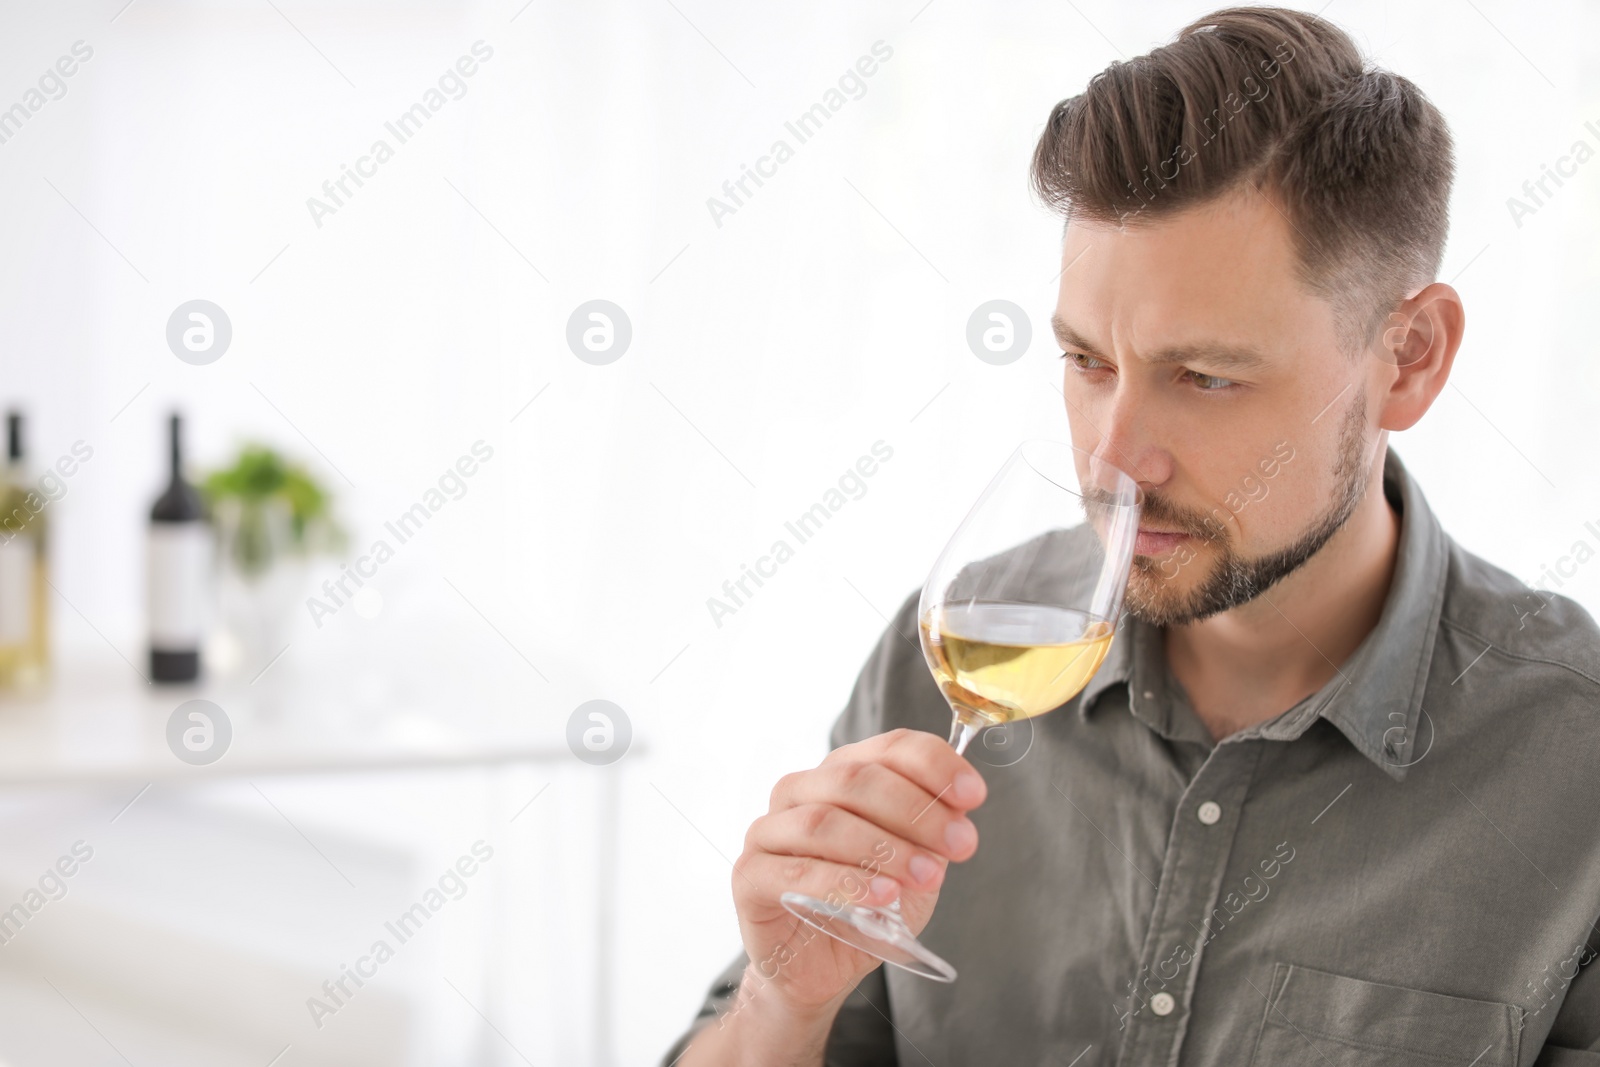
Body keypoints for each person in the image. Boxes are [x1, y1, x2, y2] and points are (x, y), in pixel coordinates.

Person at [664, 7, 1600, 1064]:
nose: (1115, 459)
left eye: (1204, 377)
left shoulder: (1572, 761)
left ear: (1411, 357)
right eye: (1087, 362)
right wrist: (781, 1009)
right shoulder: (958, 653)